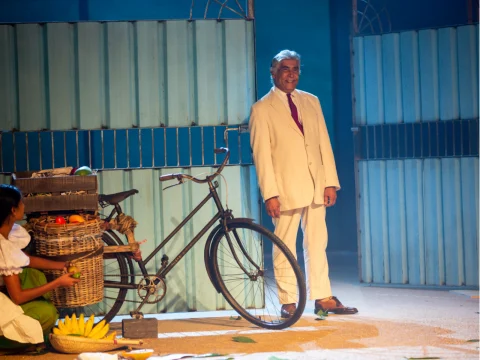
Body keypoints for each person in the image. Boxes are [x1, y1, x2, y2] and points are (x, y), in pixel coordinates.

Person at [249, 50, 358, 318]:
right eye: (285, 69)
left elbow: (323, 142)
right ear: (273, 72)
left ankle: (323, 297)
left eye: (295, 68)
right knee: (285, 244)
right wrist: (270, 194)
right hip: (285, 189)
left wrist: (330, 181)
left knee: (317, 243)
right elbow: (262, 156)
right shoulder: (262, 109)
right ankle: (288, 301)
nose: (291, 74)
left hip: (315, 184)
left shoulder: (311, 101)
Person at [0, 184, 80, 352]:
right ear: (13, 210)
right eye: (21, 202)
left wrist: (62, 265)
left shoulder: (7, 232)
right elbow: (18, 297)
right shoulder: (1, 248)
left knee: (33, 273)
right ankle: (8, 342)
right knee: (48, 313)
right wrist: (58, 282)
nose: (24, 205)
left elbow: (25, 260)